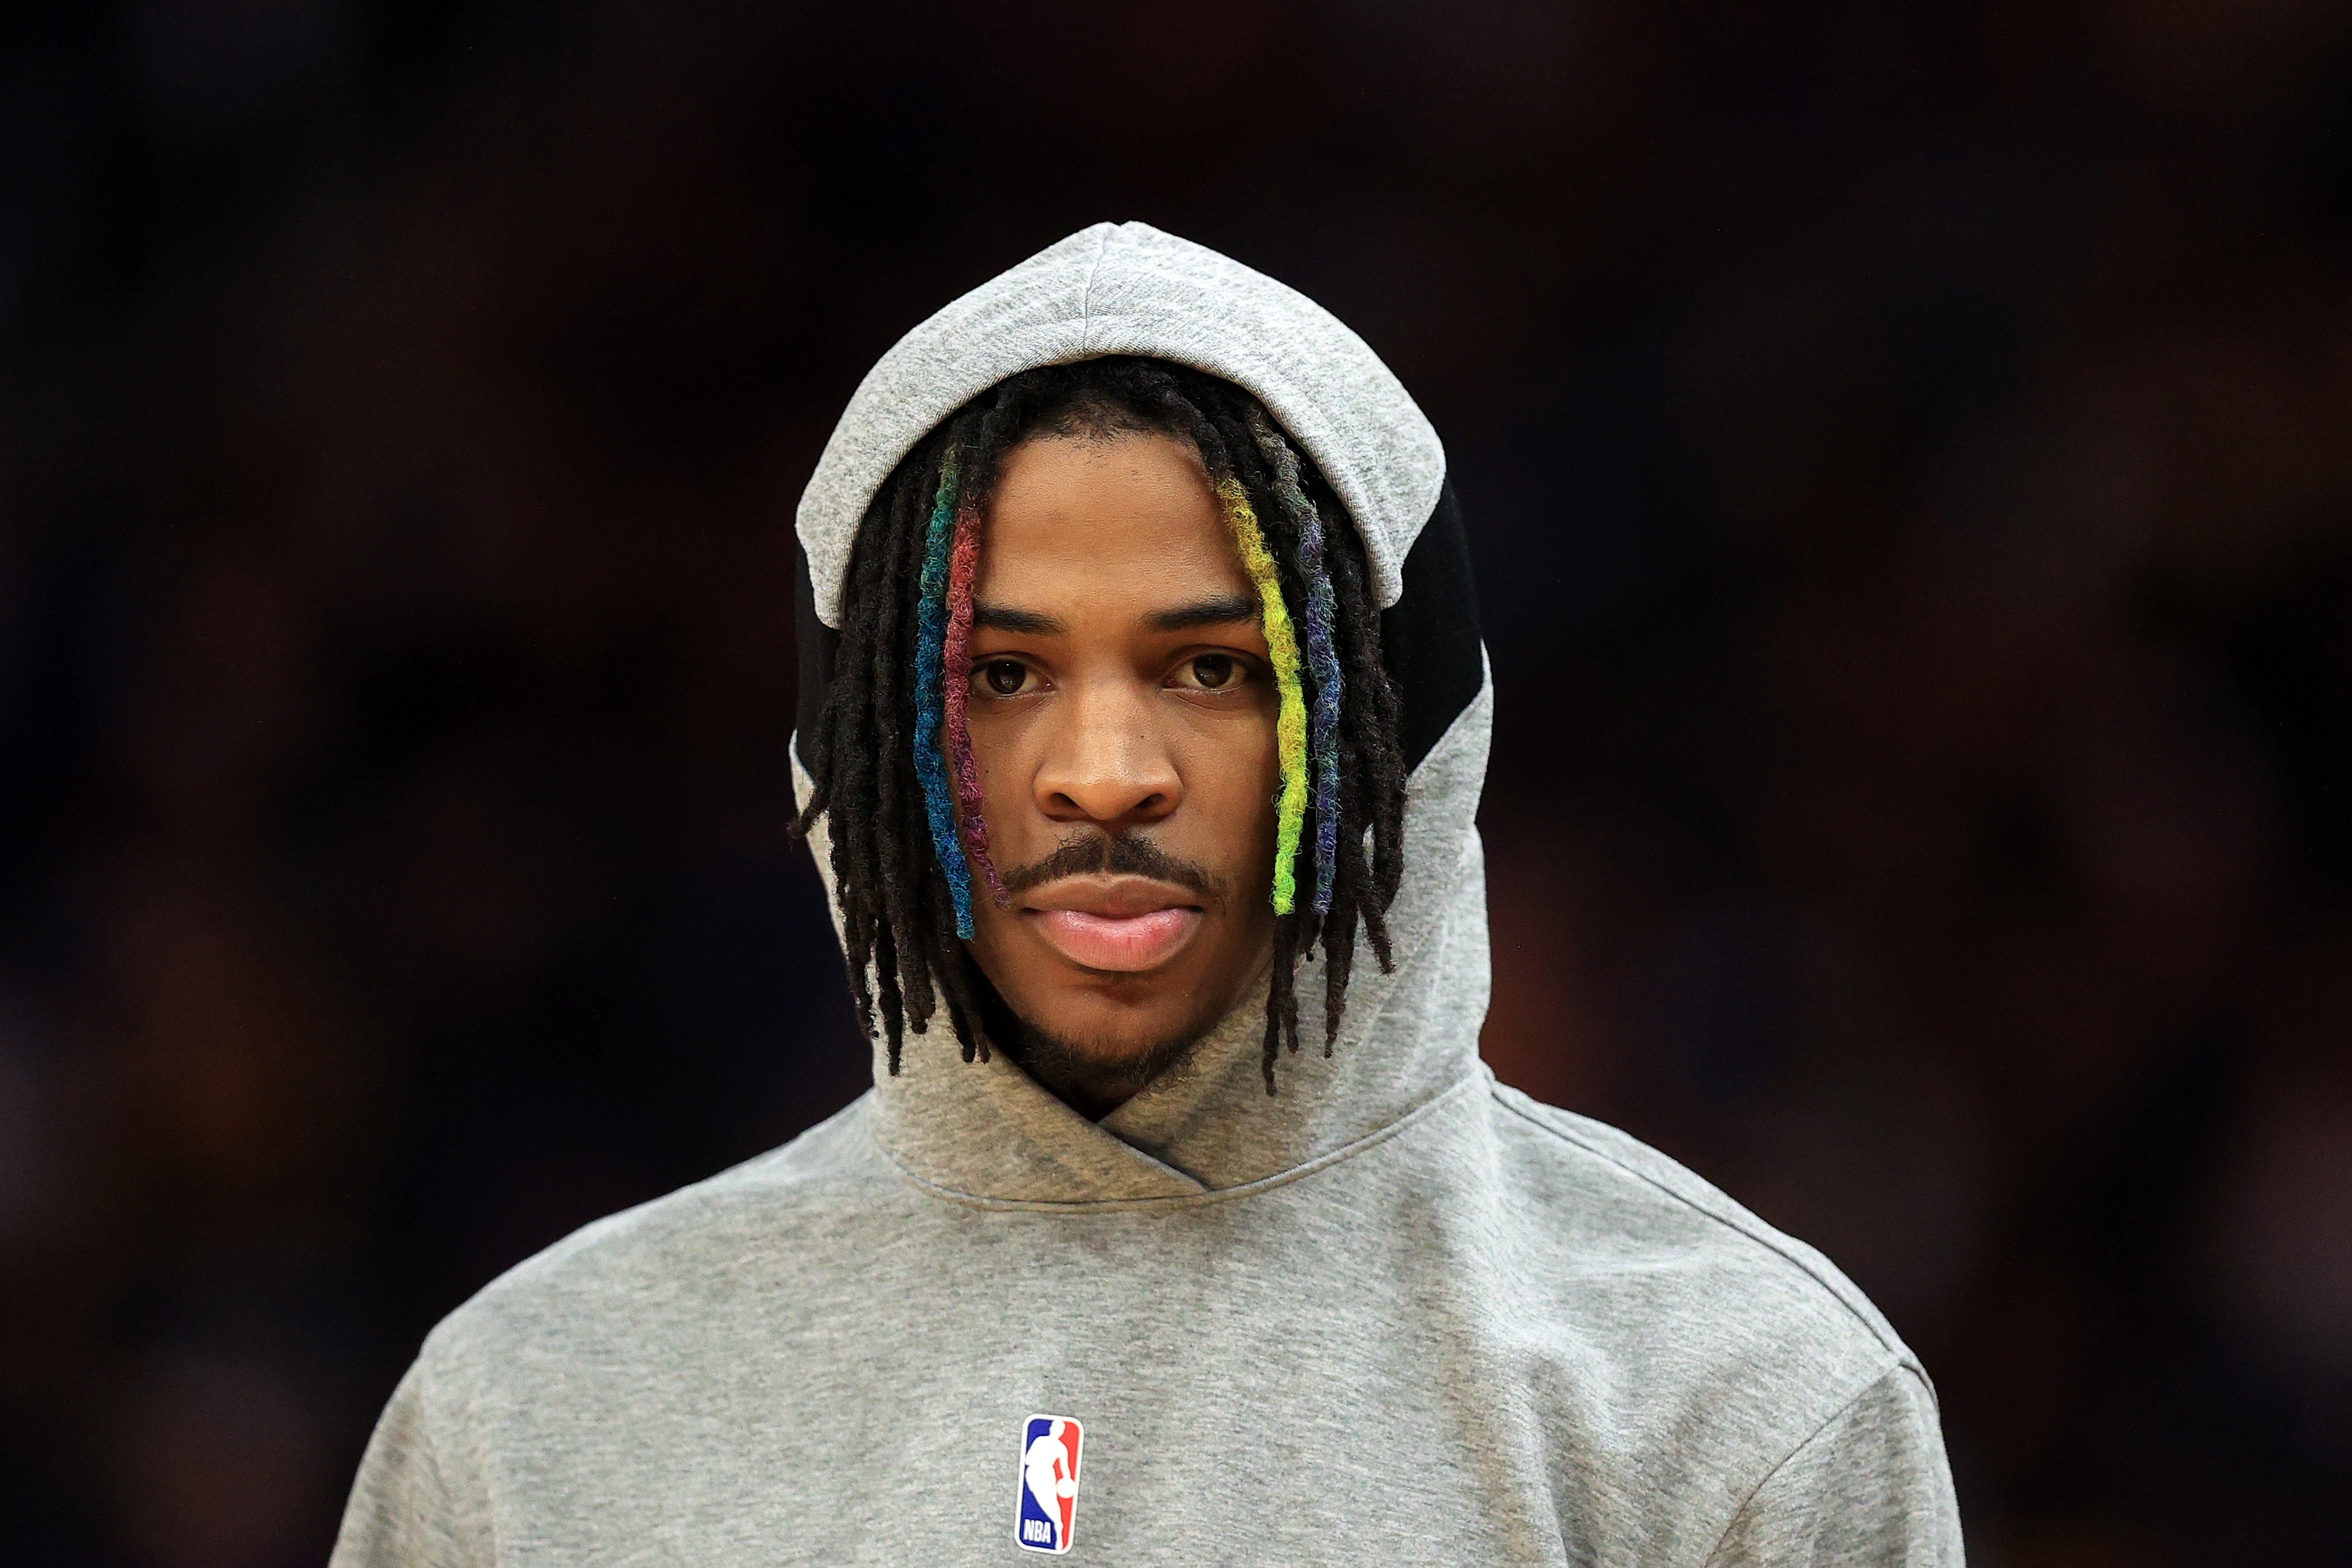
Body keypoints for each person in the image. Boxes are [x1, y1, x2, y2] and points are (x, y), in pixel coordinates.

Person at [330, 222, 1963, 1564]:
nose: (1105, 771)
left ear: (1399, 726)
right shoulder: (530, 1416)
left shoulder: (1737, 1407)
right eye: (1000, 674)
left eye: (1213, 666)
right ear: (857, 742)